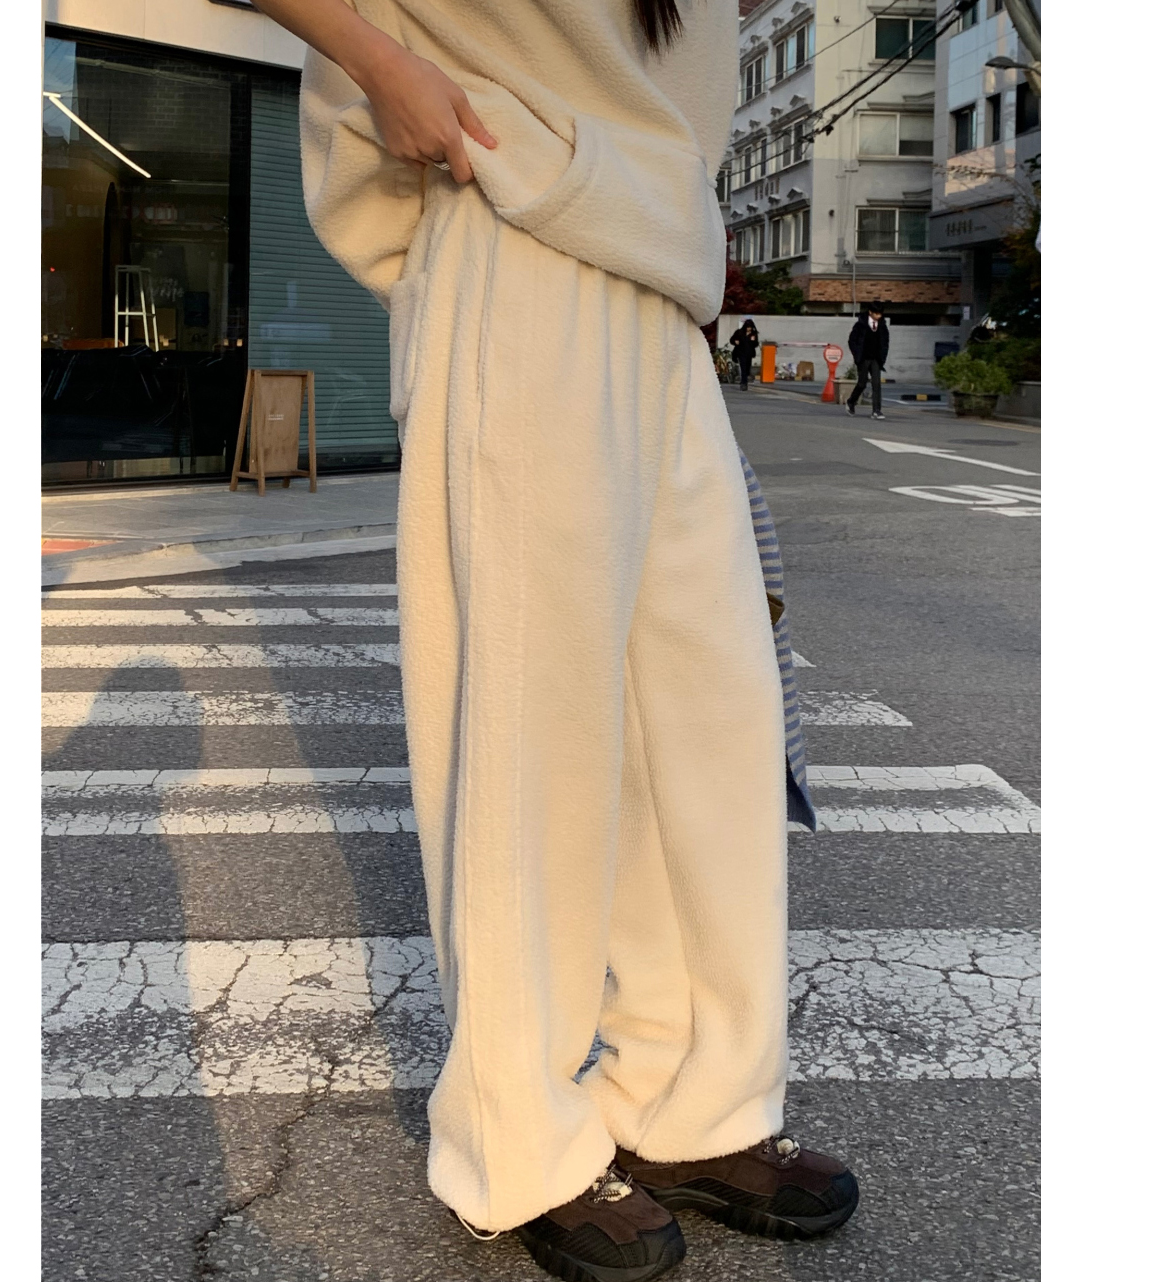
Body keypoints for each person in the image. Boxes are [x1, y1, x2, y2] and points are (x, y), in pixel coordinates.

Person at [253, 3, 859, 1279]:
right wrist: (383, 66)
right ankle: (516, 1142)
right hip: (517, 224)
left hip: (662, 268)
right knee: (534, 726)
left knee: (708, 726)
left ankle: (690, 1101)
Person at [846, 301, 889, 420]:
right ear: (870, 312)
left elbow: (885, 342)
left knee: (876, 384)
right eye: (876, 313)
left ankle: (876, 410)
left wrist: (882, 357)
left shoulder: (882, 326)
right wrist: (857, 355)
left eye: (880, 314)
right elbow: (852, 340)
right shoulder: (860, 324)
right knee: (862, 383)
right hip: (863, 358)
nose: (878, 316)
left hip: (876, 359)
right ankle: (851, 401)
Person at [729, 317, 759, 390]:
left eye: (750, 327)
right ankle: (743, 383)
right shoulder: (739, 332)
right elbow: (732, 339)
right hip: (740, 353)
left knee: (747, 369)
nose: (749, 329)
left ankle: (745, 380)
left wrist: (753, 341)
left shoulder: (753, 334)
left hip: (749, 354)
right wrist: (735, 341)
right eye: (748, 327)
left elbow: (756, 344)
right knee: (743, 368)